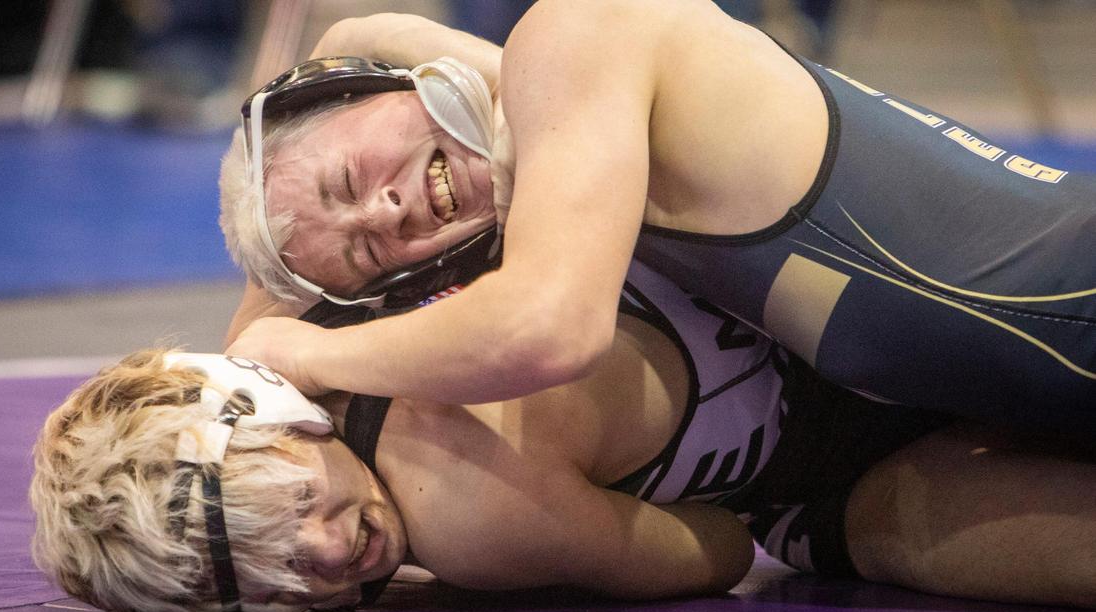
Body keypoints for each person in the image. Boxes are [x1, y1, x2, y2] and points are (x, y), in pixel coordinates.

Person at [30, 260, 1096, 612]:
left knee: (872, 529)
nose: (319, 556)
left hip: (840, 457)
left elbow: (722, 553)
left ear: (271, 413)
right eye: (257, 584)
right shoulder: (300, 289)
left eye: (289, 511)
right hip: (824, 282)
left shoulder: (464, 517)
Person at [221, 3, 1096, 431]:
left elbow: (545, 330)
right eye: (373, 252)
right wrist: (248, 348)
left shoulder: (576, 35)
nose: (389, 208)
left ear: (367, 90)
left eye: (346, 179)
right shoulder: (585, 175)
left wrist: (299, 351)